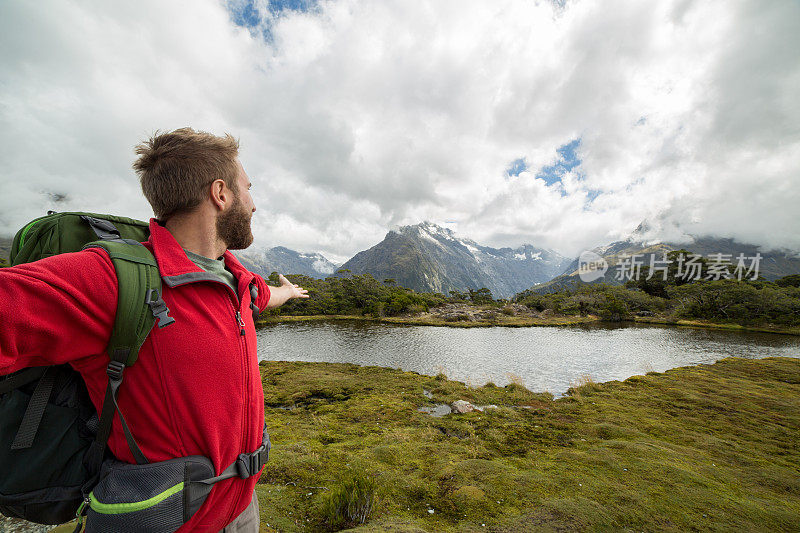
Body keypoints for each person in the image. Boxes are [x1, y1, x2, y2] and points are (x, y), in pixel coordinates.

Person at [0, 128, 308, 532]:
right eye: (248, 189)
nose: (255, 204)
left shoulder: (238, 281)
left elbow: (260, 298)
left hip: (239, 511)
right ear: (221, 193)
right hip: (163, 521)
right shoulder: (111, 279)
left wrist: (285, 292)